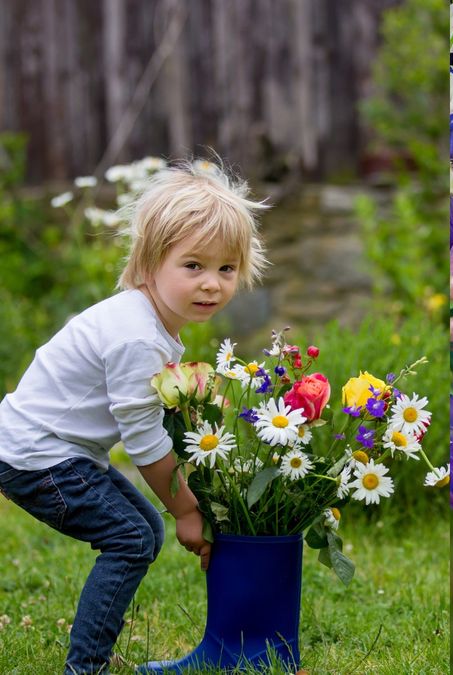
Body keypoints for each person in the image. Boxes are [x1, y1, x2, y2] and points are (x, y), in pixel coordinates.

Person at [0, 161, 268, 674]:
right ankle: (86, 667)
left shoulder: (147, 319)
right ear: (149, 263)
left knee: (142, 527)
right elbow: (143, 440)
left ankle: (93, 654)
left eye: (226, 269)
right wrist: (188, 511)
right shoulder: (137, 335)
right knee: (131, 537)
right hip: (37, 454)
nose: (212, 283)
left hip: (50, 447)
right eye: (193, 266)